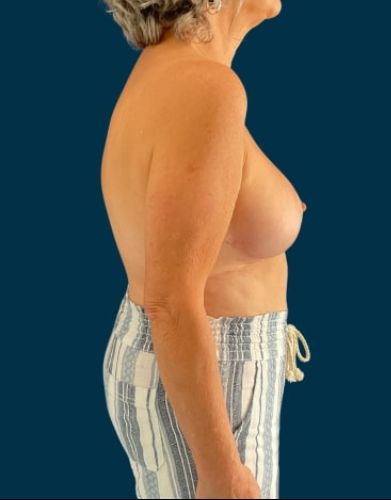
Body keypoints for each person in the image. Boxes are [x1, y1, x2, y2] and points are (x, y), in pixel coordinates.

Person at [100, 0, 311, 498]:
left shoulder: (174, 73)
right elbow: (170, 302)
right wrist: (221, 472)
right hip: (207, 378)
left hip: (188, 370)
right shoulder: (207, 89)